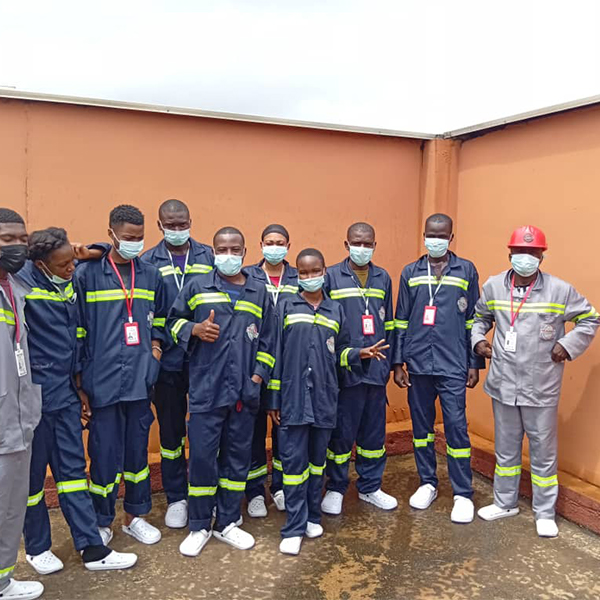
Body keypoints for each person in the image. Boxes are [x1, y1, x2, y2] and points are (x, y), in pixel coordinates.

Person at [20, 227, 137, 575]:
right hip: (34, 398)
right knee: (32, 481)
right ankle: (37, 547)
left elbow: (103, 251)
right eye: (63, 265)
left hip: (66, 394)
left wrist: (86, 252)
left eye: (72, 262)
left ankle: (91, 547)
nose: (71, 268)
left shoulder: (67, 281)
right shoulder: (22, 283)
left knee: (72, 474)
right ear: (40, 264)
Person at [472, 225, 599, 537]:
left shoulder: (560, 290)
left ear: (542, 256)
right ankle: (505, 503)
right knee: (506, 451)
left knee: (543, 453)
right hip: (503, 383)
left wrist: (567, 345)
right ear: (510, 254)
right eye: (520, 251)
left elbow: (590, 318)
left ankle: (544, 512)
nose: (525, 257)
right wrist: (478, 340)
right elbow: (480, 318)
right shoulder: (493, 286)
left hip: (540, 385)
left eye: (532, 252)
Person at [268, 248, 389, 555]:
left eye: (315, 271)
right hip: (294, 400)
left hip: (324, 399)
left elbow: (341, 351)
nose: (310, 277)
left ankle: (311, 516)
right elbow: (275, 353)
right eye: (303, 272)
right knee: (294, 466)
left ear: (324, 273)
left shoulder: (335, 310)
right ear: (297, 275)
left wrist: (359, 354)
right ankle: (293, 527)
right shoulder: (286, 305)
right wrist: (274, 399)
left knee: (316, 464)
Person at [168, 226, 277, 558]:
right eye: (221, 249)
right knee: (202, 458)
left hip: (244, 392)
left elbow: (269, 341)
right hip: (207, 389)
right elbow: (172, 322)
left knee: (237, 458)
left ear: (244, 252)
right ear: (213, 252)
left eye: (234, 250)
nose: (228, 255)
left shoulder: (258, 291)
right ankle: (200, 525)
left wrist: (257, 378)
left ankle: (228, 521)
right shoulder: (197, 286)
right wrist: (194, 329)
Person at [74, 204, 167, 546]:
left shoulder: (151, 275)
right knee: (103, 456)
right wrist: (80, 383)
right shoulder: (87, 274)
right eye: (128, 237)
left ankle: (134, 517)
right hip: (102, 381)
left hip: (140, 380)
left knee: (137, 455)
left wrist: (155, 351)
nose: (135, 243)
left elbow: (161, 319)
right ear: (111, 233)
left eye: (140, 237)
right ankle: (102, 520)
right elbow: (77, 329)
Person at [392, 213, 484, 523]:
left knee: (456, 428)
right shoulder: (411, 272)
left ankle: (462, 493)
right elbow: (401, 321)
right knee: (421, 430)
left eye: (442, 236)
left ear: (451, 238)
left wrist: (474, 363)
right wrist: (398, 363)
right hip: (418, 364)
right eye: (431, 235)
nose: (436, 240)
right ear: (424, 236)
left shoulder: (466, 270)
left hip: (453, 364)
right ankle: (427, 483)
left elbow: (473, 320)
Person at [141, 199, 214, 529]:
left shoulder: (209, 257)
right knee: (171, 434)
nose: (177, 229)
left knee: (205, 431)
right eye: (170, 225)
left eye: (182, 223)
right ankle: (177, 497)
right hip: (168, 361)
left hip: (205, 360)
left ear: (190, 221)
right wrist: (157, 345)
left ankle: (204, 494)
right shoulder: (147, 262)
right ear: (159, 225)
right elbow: (148, 311)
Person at [321, 222, 398, 515]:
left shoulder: (383, 277)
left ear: (375, 246)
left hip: (376, 370)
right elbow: (325, 325)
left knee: (373, 435)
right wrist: (344, 357)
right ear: (346, 245)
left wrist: (392, 363)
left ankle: (370, 486)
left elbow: (389, 324)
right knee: (342, 433)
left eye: (368, 244)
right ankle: (336, 487)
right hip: (346, 370)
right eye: (357, 243)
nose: (362, 248)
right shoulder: (331, 277)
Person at [0, 208, 44, 600]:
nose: (17, 247)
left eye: (22, 239)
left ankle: (2, 580)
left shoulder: (16, 287)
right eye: (6, 239)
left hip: (18, 418)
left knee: (10, 506)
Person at [245, 224, 298, 518]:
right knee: (253, 432)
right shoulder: (248, 276)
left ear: (288, 246)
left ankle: (280, 487)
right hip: (255, 365)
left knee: (284, 431)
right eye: (269, 242)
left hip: (289, 367)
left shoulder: (299, 277)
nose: (274, 247)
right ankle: (255, 491)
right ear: (260, 245)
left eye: (279, 243)